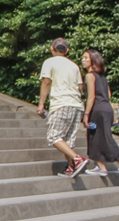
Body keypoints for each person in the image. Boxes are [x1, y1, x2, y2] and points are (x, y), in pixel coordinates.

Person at [37, 38, 91, 178]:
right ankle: (71, 167)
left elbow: (46, 82)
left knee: (53, 136)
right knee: (68, 140)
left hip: (61, 103)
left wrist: (41, 103)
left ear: (52, 49)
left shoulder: (49, 62)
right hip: (77, 105)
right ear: (66, 51)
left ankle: (78, 160)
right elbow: (80, 86)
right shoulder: (74, 66)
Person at [80, 49, 119, 182]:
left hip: (97, 109)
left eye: (86, 58)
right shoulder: (102, 76)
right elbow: (108, 94)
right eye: (83, 58)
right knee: (98, 137)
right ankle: (101, 167)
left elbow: (91, 97)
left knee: (100, 137)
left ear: (93, 60)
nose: (83, 60)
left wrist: (86, 114)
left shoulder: (90, 75)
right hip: (106, 108)